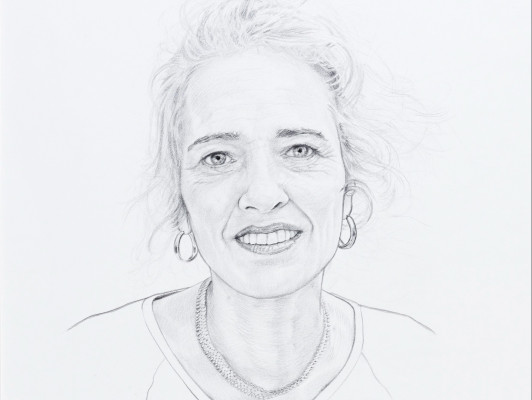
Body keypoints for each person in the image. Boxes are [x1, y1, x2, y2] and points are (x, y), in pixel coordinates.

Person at [65, 0, 438, 398]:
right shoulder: (88, 361)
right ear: (180, 203)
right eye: (218, 157)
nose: (262, 195)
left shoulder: (419, 360)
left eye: (299, 150)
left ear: (350, 194)